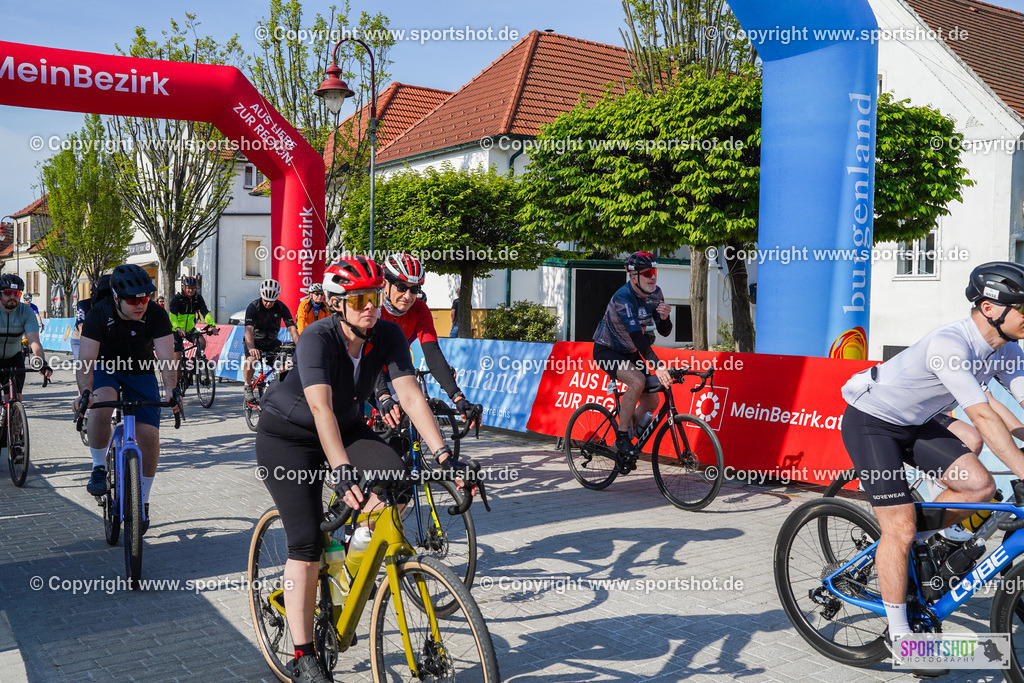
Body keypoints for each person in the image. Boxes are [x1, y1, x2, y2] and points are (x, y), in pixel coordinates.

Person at [255, 256, 461, 683]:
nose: (370, 307)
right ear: (336, 303)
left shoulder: (387, 335)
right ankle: (303, 654)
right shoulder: (317, 338)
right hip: (288, 437)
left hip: (346, 428)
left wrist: (445, 456)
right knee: (306, 544)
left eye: (372, 298)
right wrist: (343, 469)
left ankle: (353, 555)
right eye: (358, 300)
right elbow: (320, 408)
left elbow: (410, 397)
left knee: (398, 483)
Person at [840, 261, 1024, 674]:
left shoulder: (1006, 349)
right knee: (899, 529)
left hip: (917, 422)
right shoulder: (950, 344)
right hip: (871, 421)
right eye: (1023, 307)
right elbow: (983, 416)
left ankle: (919, 540)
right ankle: (900, 637)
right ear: (991, 308)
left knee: (980, 488)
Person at [75, 264, 178, 534]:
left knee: (150, 435)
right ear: (116, 298)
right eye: (132, 300)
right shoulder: (99, 313)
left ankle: (143, 500)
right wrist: (85, 392)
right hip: (106, 368)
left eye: (145, 298)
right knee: (102, 405)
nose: (140, 304)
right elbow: (85, 361)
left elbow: (167, 358)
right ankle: (99, 467)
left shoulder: (156, 313)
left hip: (140, 370)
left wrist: (171, 390)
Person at [375, 253, 482, 429]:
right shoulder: (373, 307)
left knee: (405, 422)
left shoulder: (419, 309)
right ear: (385, 284)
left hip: (396, 369)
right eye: (401, 287)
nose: (408, 296)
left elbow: (432, 352)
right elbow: (369, 355)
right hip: (366, 368)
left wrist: (458, 397)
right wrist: (383, 395)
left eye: (414, 289)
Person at [592, 251, 673, 469]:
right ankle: (621, 438)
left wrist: (665, 318)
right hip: (607, 350)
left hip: (629, 351)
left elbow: (664, 331)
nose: (653, 277)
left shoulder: (656, 293)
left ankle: (626, 438)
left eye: (654, 272)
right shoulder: (623, 297)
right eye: (647, 273)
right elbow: (638, 337)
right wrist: (658, 366)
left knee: (652, 400)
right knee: (637, 381)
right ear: (633, 276)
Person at [242, 278, 299, 403]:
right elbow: (248, 330)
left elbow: (292, 329)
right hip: (255, 341)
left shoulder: (281, 307)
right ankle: (247, 386)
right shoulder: (253, 307)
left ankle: (277, 389)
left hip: (272, 341)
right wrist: (251, 348)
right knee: (252, 360)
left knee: (285, 365)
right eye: (266, 300)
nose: (268, 304)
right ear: (261, 296)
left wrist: (300, 346)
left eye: (271, 301)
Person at [0, 274, 50, 400]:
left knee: (15, 398)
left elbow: (34, 341)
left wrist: (42, 362)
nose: (12, 297)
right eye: (8, 292)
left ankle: (15, 411)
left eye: (16, 293)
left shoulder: (26, 312)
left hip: (14, 357)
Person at [168, 275, 218, 371]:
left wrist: (212, 325)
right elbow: (172, 316)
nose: (191, 290)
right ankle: (176, 380)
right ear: (183, 287)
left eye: (193, 288)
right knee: (177, 358)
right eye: (189, 288)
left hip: (190, 329)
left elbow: (205, 313)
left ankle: (195, 364)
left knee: (202, 342)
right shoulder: (177, 298)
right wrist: (178, 328)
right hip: (176, 331)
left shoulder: (197, 298)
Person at [71, 275, 112, 363]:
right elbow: (81, 328)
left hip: (101, 340)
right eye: (103, 295)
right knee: (85, 365)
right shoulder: (84, 304)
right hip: (80, 339)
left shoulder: (115, 304)